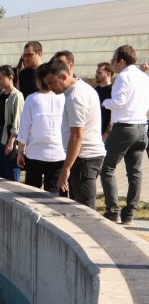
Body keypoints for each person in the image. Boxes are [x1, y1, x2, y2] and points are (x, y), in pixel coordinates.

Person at [43, 59, 105, 209]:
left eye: (51, 83)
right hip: (85, 157)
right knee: (80, 205)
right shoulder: (81, 88)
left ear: (63, 76)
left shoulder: (75, 96)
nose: (49, 88)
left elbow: (77, 136)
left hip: (84, 158)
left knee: (85, 209)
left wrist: (66, 168)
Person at [99, 45, 149, 224]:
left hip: (124, 128)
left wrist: (105, 102)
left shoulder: (123, 77)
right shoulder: (144, 77)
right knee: (135, 172)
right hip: (141, 128)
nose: (112, 64)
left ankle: (113, 211)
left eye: (113, 60)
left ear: (121, 61)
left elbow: (119, 102)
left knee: (107, 168)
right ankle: (130, 213)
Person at [16, 64, 67, 195]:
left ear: (38, 80)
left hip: (35, 152)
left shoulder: (32, 99)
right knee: (54, 191)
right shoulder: (63, 97)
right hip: (59, 152)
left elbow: (24, 128)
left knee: (32, 192)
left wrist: (20, 151)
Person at [0, 65, 24, 181]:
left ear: (10, 77)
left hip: (10, 137)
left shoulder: (17, 96)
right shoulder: (0, 96)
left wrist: (11, 141)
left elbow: (18, 121)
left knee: (11, 171)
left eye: (1, 78)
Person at [94, 62, 114, 140]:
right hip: (95, 134)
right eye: (96, 72)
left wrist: (107, 132)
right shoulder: (94, 91)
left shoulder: (113, 91)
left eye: (99, 73)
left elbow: (114, 114)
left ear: (108, 74)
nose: (96, 75)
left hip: (108, 135)